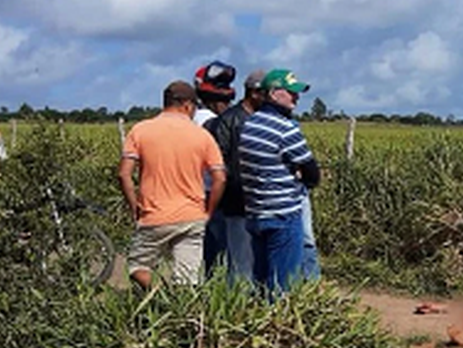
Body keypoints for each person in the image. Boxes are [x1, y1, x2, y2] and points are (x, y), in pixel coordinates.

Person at [118, 81, 226, 289]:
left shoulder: (140, 131)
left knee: (137, 266)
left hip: (153, 214)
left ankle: (158, 294)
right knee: (188, 279)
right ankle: (182, 312)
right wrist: (209, 211)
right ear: (188, 105)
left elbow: (124, 174)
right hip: (192, 215)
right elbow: (220, 178)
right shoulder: (202, 135)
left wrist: (134, 206)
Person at [238, 68, 321, 293]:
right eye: (291, 92)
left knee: (262, 280)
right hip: (283, 214)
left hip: (256, 213)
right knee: (283, 286)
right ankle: (280, 325)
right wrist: (301, 177)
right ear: (274, 94)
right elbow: (312, 173)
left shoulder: (251, 124)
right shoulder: (286, 128)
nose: (296, 98)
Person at [203, 69, 264, 282]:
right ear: (254, 93)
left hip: (257, 202)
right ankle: (240, 308)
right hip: (238, 201)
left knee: (253, 259)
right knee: (240, 262)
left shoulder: (260, 119)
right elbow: (220, 164)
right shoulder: (229, 121)